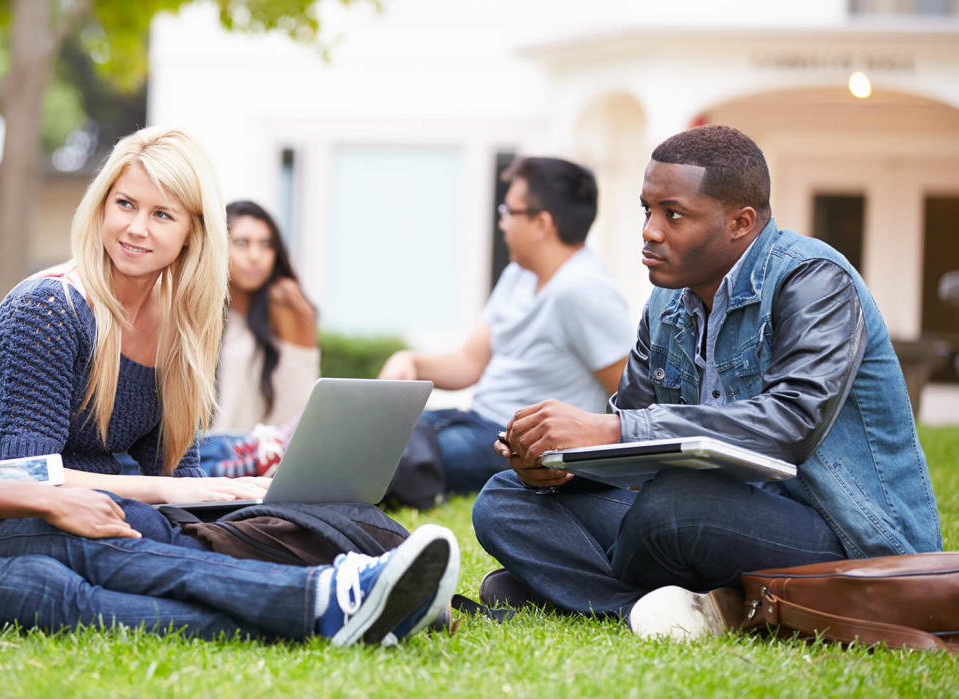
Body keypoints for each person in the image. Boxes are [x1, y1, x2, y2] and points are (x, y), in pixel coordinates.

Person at [0, 94, 458, 645]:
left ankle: (344, 594)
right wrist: (51, 498)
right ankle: (319, 605)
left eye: (164, 214)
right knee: (45, 580)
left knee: (120, 536)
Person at [471, 124, 943, 641]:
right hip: (708, 516)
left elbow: (790, 424)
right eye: (646, 211)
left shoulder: (813, 280)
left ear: (740, 222)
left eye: (672, 214)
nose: (650, 230)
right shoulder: (665, 304)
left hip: (842, 538)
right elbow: (630, 450)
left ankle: (573, 588)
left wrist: (609, 431)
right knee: (506, 499)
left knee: (674, 508)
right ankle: (660, 609)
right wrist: (555, 463)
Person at [0, 132, 282, 503]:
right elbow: (25, 476)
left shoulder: (178, 325)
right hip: (1, 517)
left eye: (161, 214)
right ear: (103, 206)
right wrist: (165, 489)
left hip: (101, 509)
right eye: (125, 204)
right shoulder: (48, 309)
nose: (137, 228)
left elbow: (178, 473)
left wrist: (237, 504)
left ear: (193, 232)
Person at [378, 157, 632, 494]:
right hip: (472, 420)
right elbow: (469, 363)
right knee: (374, 433)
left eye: (508, 212)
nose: (502, 224)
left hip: (514, 440)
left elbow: (629, 397)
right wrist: (411, 360)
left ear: (542, 223)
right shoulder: (519, 274)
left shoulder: (583, 290)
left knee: (383, 457)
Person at [214, 200, 319, 433]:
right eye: (242, 243)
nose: (255, 256)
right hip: (206, 456)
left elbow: (301, 395)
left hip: (265, 455)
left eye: (266, 245)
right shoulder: (203, 311)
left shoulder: (284, 299)